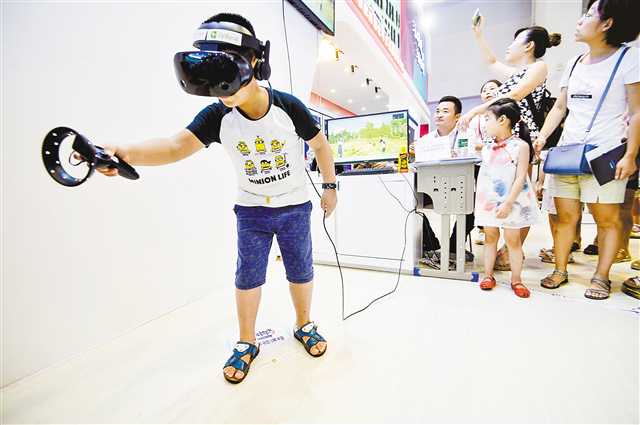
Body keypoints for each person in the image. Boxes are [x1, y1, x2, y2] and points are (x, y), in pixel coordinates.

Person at [93, 13, 337, 382]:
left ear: (256, 62)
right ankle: (246, 341)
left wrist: (330, 188)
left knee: (300, 269)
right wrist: (125, 152)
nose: (220, 89)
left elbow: (320, 145)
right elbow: (175, 147)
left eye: (228, 70)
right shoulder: (217, 116)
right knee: (248, 275)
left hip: (294, 207)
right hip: (251, 210)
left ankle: (304, 324)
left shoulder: (287, 107)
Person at [533, 0, 640, 300]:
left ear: (608, 24)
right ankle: (560, 269)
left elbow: (636, 111)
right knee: (565, 217)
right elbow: (560, 107)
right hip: (567, 152)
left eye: (590, 14)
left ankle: (601, 277)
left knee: (607, 219)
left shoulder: (629, 58)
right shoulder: (574, 62)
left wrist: (630, 154)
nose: (581, 20)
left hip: (606, 153)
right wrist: (543, 136)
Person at [461, 17, 561, 270]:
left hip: (521, 138)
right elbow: (492, 62)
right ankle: (505, 246)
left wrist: (476, 110)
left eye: (515, 41)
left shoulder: (539, 67)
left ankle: (512, 249)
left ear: (529, 46)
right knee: (500, 190)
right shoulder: (517, 72)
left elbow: (515, 95)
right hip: (500, 140)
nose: (509, 46)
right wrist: (478, 35)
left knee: (520, 194)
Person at [476, 98, 540, 298]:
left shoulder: (520, 146)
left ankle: (516, 279)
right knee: (490, 237)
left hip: (513, 201)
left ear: (502, 120)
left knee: (513, 241)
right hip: (489, 201)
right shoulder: (487, 147)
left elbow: (521, 177)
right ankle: (488, 275)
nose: (485, 124)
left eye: (488, 119)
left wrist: (508, 203)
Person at [418, 96, 475, 269]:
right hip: (431, 187)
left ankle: (452, 248)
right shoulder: (426, 140)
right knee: (410, 202)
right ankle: (432, 246)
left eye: (445, 111)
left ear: (457, 117)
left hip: (459, 186)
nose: (439, 114)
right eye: (437, 111)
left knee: (470, 208)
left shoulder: (466, 135)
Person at [470, 79, 502, 245]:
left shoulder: (505, 113)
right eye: (485, 90)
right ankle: (483, 230)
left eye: (492, 88)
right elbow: (470, 139)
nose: (488, 92)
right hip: (480, 163)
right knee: (483, 197)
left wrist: (483, 145)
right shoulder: (476, 118)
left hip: (502, 162)